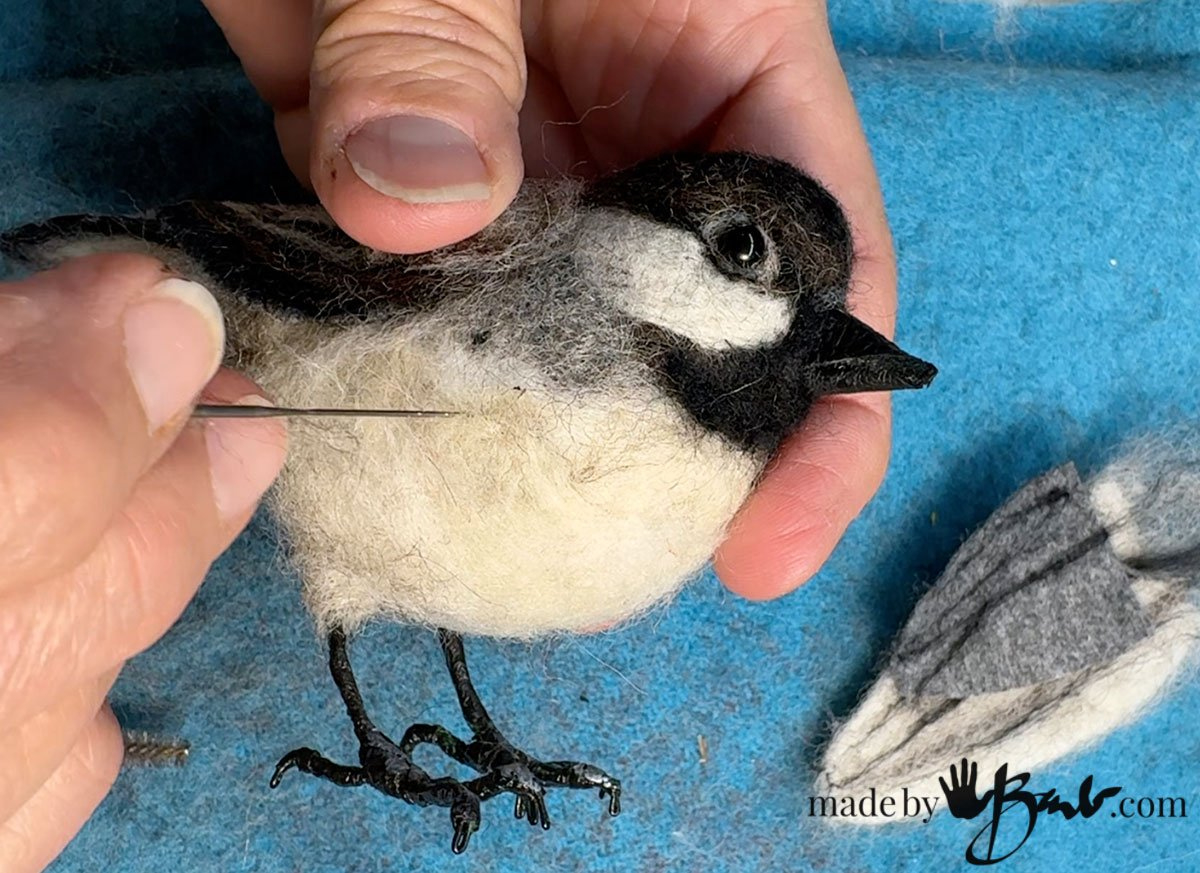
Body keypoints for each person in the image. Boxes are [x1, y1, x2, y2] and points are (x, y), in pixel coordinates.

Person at [0, 2, 896, 869]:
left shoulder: (739, 438)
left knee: (444, 581)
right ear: (638, 231)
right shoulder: (544, 294)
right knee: (347, 588)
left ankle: (486, 737)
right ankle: (377, 745)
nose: (794, 318)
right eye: (744, 253)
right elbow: (306, 266)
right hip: (287, 317)